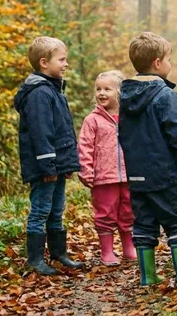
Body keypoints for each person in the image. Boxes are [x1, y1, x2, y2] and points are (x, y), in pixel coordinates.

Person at [119, 32, 177, 286]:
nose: (171, 64)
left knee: (144, 222)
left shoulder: (125, 96)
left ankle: (148, 276)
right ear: (158, 63)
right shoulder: (164, 95)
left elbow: (123, 134)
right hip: (162, 173)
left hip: (137, 174)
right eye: (169, 59)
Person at [13, 36, 85, 276]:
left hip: (57, 164)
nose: (66, 64)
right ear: (44, 63)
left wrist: (65, 163)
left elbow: (61, 131)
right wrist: (48, 167)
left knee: (56, 209)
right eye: (62, 60)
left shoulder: (54, 90)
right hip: (45, 167)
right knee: (41, 210)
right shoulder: (39, 94)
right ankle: (35, 259)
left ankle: (58, 252)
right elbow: (41, 133)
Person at [78, 70, 136, 266]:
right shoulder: (92, 120)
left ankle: (129, 248)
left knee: (128, 211)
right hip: (103, 177)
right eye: (98, 89)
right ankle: (107, 251)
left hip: (129, 175)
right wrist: (86, 170)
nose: (101, 93)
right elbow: (84, 146)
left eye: (107, 89)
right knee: (105, 212)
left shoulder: (130, 117)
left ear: (120, 92)